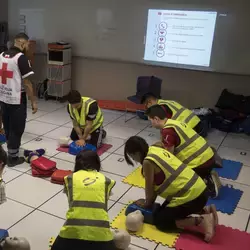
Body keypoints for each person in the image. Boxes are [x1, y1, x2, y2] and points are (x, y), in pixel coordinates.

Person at [124, 136, 218, 242]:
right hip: (200, 190)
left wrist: (146, 204)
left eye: (132, 157)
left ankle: (200, 221)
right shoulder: (156, 148)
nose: (134, 160)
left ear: (136, 153)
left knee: (161, 221)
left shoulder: (147, 162)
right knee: (162, 211)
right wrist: (149, 202)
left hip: (192, 197)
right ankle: (205, 210)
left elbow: (150, 189)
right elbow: (155, 188)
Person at [145, 105, 221, 198]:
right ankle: (206, 174)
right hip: (209, 156)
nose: (151, 124)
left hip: (200, 163)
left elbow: (169, 156)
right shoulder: (175, 123)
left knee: (178, 178)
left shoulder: (167, 131)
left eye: (150, 120)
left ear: (156, 119)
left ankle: (207, 182)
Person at [51, 150, 116, 250]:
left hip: (73, 233)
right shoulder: (106, 181)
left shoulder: (69, 179)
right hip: (101, 236)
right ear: (97, 164)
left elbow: (71, 202)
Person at [0, 33, 37, 167]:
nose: (28, 47)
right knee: (17, 127)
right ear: (21, 42)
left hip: (3, 97)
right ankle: (13, 158)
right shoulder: (21, 58)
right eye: (27, 44)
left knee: (8, 126)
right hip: (16, 99)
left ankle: (11, 152)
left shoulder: (2, 55)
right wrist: (33, 101)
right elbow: (27, 83)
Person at [141, 93, 207, 137]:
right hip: (198, 122)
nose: (146, 108)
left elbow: (165, 125)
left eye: (146, 106)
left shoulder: (161, 107)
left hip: (193, 130)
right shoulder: (168, 102)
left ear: (150, 102)